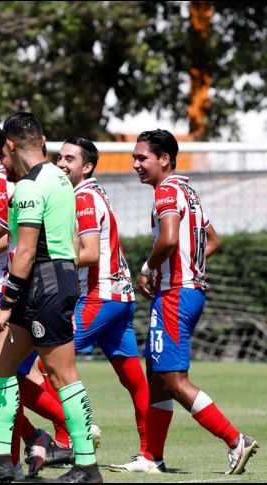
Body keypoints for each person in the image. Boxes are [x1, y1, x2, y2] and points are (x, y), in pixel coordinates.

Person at [0, 112, 102, 484]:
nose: (2, 155)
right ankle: (0, 459)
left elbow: (25, 250)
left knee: (62, 374)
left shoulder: (29, 187)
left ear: (13, 145)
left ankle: (87, 465)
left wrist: (5, 304)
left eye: (3, 149)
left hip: (44, 284)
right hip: (51, 280)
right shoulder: (60, 177)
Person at [109, 129, 258, 475]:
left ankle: (235, 440)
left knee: (173, 378)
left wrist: (147, 269)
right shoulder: (188, 191)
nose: (135, 164)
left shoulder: (166, 192)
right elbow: (214, 241)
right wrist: (187, 268)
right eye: (134, 157)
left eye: (141, 157)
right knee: (157, 376)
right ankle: (151, 457)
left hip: (176, 295)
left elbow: (170, 239)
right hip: (186, 291)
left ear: (164, 159)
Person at [55, 136, 150, 464]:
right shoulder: (92, 193)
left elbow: (90, 254)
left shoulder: (82, 198)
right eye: (60, 157)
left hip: (101, 295)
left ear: (88, 167)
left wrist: (48, 261)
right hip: (120, 297)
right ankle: (149, 453)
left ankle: (78, 432)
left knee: (47, 364)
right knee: (132, 377)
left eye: (70, 159)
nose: (62, 164)